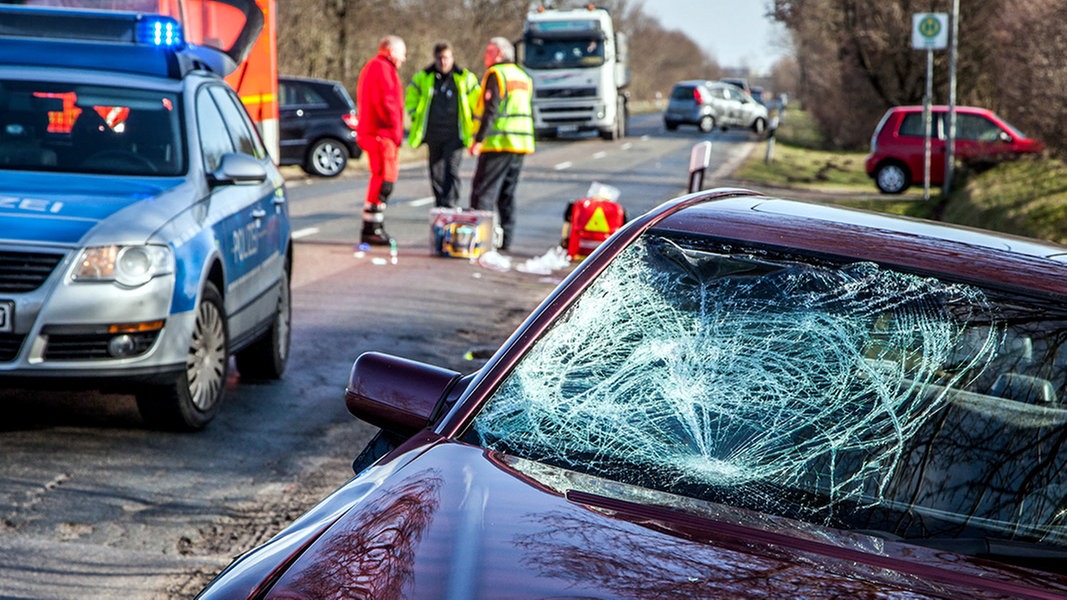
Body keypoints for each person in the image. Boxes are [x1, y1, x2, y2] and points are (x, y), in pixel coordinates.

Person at [469, 37, 535, 252]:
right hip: (520, 143)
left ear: (498, 53)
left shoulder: (496, 74)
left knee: (483, 192)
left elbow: (491, 110)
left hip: (498, 143)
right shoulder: (523, 76)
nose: (484, 56)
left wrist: (478, 140)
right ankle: (506, 241)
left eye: (488, 52)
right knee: (507, 194)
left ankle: (480, 240)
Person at [405, 41, 481, 208]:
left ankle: (451, 203)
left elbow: (477, 102)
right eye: (439, 58)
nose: (443, 62)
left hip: (456, 133)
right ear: (435, 59)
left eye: (446, 58)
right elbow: (410, 98)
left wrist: (476, 126)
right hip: (433, 133)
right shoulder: (424, 77)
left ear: (452, 57)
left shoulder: (464, 78)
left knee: (451, 170)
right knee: (436, 172)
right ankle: (440, 204)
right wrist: (414, 115)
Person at [355, 35, 406, 245]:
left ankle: (373, 226)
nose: (404, 59)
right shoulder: (382, 69)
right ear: (392, 51)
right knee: (384, 179)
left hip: (377, 132)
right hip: (381, 134)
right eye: (403, 53)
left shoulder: (376, 67)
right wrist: (396, 132)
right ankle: (372, 228)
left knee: (381, 179)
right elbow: (387, 102)